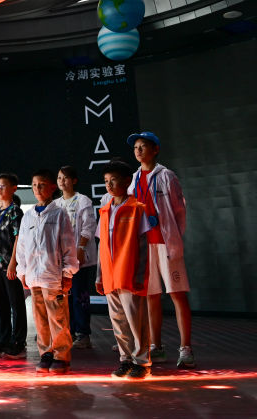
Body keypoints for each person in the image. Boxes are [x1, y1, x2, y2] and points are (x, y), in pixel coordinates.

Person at [128, 131, 195, 368]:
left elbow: (179, 211)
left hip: (166, 244)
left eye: (143, 146)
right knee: (151, 296)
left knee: (177, 294)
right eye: (135, 147)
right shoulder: (134, 179)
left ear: (155, 149)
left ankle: (186, 349)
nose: (138, 151)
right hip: (144, 246)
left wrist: (174, 238)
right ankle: (156, 346)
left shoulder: (166, 176)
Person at [16, 169, 78, 375]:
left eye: (41, 184)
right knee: (40, 318)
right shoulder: (28, 216)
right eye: (34, 185)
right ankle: (46, 353)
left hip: (53, 276)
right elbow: (22, 247)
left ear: (52, 187)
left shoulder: (59, 214)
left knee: (57, 317)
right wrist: (22, 271)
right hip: (34, 276)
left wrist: (67, 272)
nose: (37, 188)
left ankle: (61, 355)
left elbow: (68, 245)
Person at [95, 159, 151, 379]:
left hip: (129, 274)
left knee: (136, 320)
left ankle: (142, 362)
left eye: (114, 180)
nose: (109, 185)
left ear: (127, 181)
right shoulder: (104, 210)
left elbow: (144, 246)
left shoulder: (137, 209)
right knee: (117, 320)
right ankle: (125, 359)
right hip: (110, 276)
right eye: (106, 181)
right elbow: (101, 245)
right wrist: (99, 275)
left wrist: (140, 275)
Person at [0, 172, 27, 358]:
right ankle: (2, 338)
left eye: (3, 186)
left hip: (10, 265)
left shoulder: (15, 211)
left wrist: (13, 263)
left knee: (15, 303)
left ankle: (18, 341)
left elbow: (18, 238)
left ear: (13, 189)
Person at [57, 165, 98, 349]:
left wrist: (80, 248)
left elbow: (89, 226)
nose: (62, 181)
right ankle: (69, 331)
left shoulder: (83, 200)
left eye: (65, 178)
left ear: (74, 180)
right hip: (62, 260)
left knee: (80, 296)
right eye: (59, 178)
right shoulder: (56, 204)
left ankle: (83, 334)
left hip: (80, 258)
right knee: (65, 297)